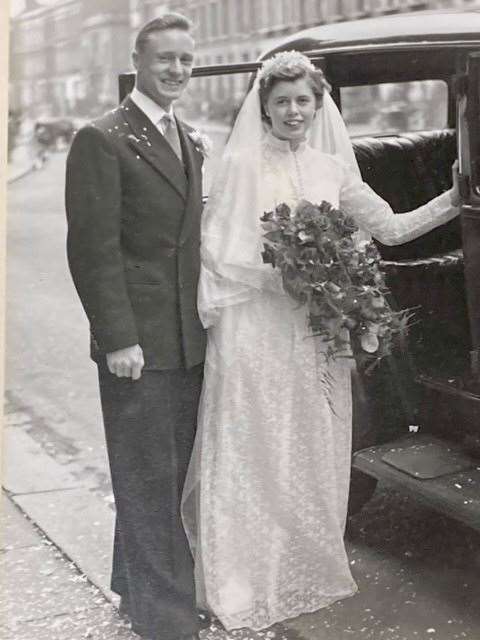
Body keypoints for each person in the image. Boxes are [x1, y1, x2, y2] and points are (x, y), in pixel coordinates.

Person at [181, 51, 460, 632]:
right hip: (256, 326)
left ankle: (301, 561)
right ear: (264, 107)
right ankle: (243, 576)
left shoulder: (334, 168)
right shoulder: (240, 166)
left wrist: (457, 198)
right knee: (258, 440)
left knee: (309, 437)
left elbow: (392, 228)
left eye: (302, 100)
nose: (292, 111)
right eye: (280, 101)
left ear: (318, 104)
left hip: (312, 332)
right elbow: (216, 253)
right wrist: (290, 274)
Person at [65, 14, 207, 640]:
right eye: (164, 60)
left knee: (163, 472)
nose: (176, 70)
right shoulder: (103, 138)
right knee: (147, 478)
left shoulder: (187, 136)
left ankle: (132, 584)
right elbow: (92, 251)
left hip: (185, 337)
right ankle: (166, 617)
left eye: (185, 60)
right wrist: (118, 336)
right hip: (138, 344)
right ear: (138, 62)